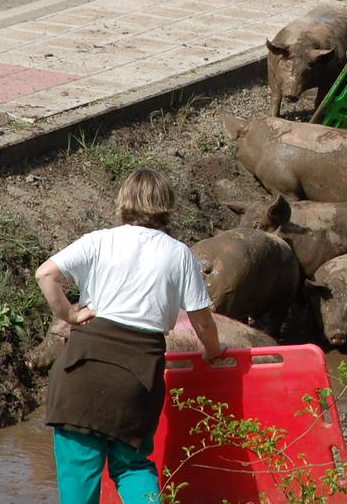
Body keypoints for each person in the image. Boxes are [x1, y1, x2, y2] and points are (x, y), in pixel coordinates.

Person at [36, 169, 223, 504]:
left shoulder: (98, 240)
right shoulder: (179, 254)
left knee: (79, 475)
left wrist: (70, 314)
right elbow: (203, 322)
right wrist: (214, 351)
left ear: (122, 203)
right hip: (138, 376)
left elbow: (46, 273)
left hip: (81, 372)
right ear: (166, 207)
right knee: (132, 466)